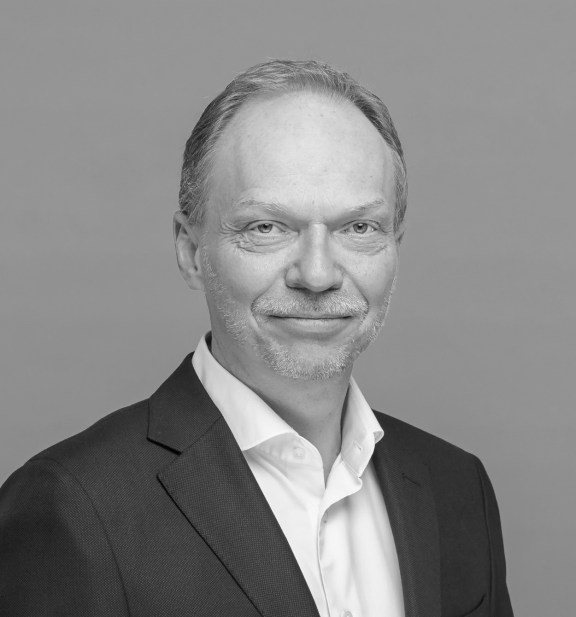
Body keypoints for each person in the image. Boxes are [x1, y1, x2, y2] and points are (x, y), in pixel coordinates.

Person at [0, 59, 513, 617]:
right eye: (267, 227)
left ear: (395, 246)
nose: (317, 274)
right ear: (191, 251)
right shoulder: (76, 507)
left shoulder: (456, 488)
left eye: (358, 227)